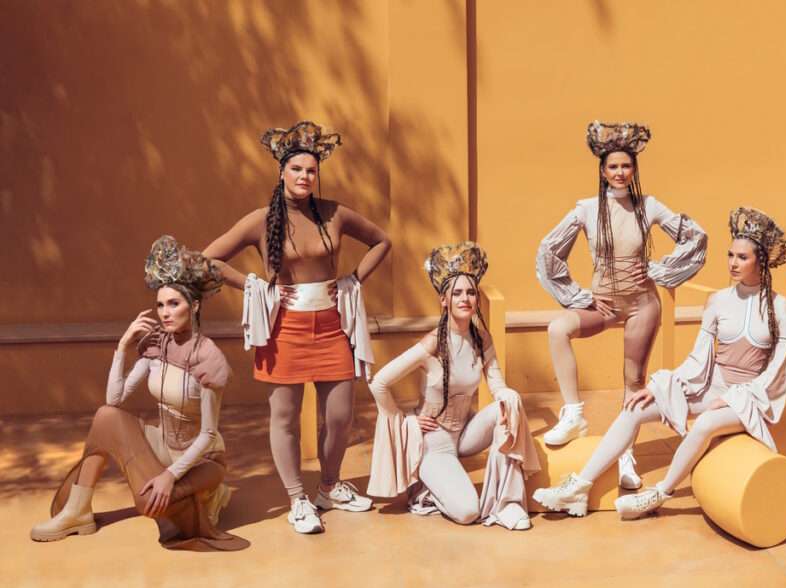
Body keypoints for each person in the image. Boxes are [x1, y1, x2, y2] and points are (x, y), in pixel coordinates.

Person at [534, 208, 786, 518]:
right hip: (711, 389)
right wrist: (660, 386)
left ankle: (659, 493)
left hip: (750, 399)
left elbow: (778, 372)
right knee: (634, 407)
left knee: (706, 423)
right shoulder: (717, 301)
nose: (732, 263)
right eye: (730, 255)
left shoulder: (783, 308)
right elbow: (698, 358)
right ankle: (580, 486)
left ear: (761, 261)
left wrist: (730, 399)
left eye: (742, 257)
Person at [203, 121, 391, 533]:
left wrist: (353, 280)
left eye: (311, 170)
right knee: (285, 418)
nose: (305, 177)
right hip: (284, 330)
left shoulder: (334, 212)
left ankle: (329, 487)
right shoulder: (260, 220)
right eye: (297, 169)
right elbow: (208, 259)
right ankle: (297, 499)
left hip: (333, 325)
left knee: (340, 416)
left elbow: (382, 241)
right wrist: (251, 284)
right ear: (281, 172)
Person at [30, 236, 248, 551]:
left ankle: (209, 496)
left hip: (204, 459)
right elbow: (114, 400)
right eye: (160, 305)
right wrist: (122, 346)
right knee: (106, 417)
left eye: (174, 304)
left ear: (195, 305)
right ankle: (78, 512)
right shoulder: (157, 345)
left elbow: (208, 434)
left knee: (148, 503)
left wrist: (169, 476)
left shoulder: (208, 356)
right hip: (165, 446)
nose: (165, 313)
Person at [535, 120, 707, 489]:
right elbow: (549, 251)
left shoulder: (648, 206)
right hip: (605, 304)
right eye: (613, 166)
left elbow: (695, 237)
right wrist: (581, 296)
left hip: (642, 304)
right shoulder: (586, 209)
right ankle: (574, 413)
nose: (619, 172)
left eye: (626, 166)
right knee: (558, 329)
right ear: (602, 171)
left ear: (634, 169)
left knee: (633, 383)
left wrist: (659, 269)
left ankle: (626, 458)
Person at [367, 241, 539, 530]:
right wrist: (404, 420)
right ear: (444, 300)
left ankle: (507, 504)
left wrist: (508, 397)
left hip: (466, 433)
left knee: (509, 404)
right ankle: (428, 488)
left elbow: (497, 385)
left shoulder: (482, 339)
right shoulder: (432, 343)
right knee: (468, 511)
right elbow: (379, 383)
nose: (465, 298)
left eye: (470, 292)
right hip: (435, 442)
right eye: (457, 293)